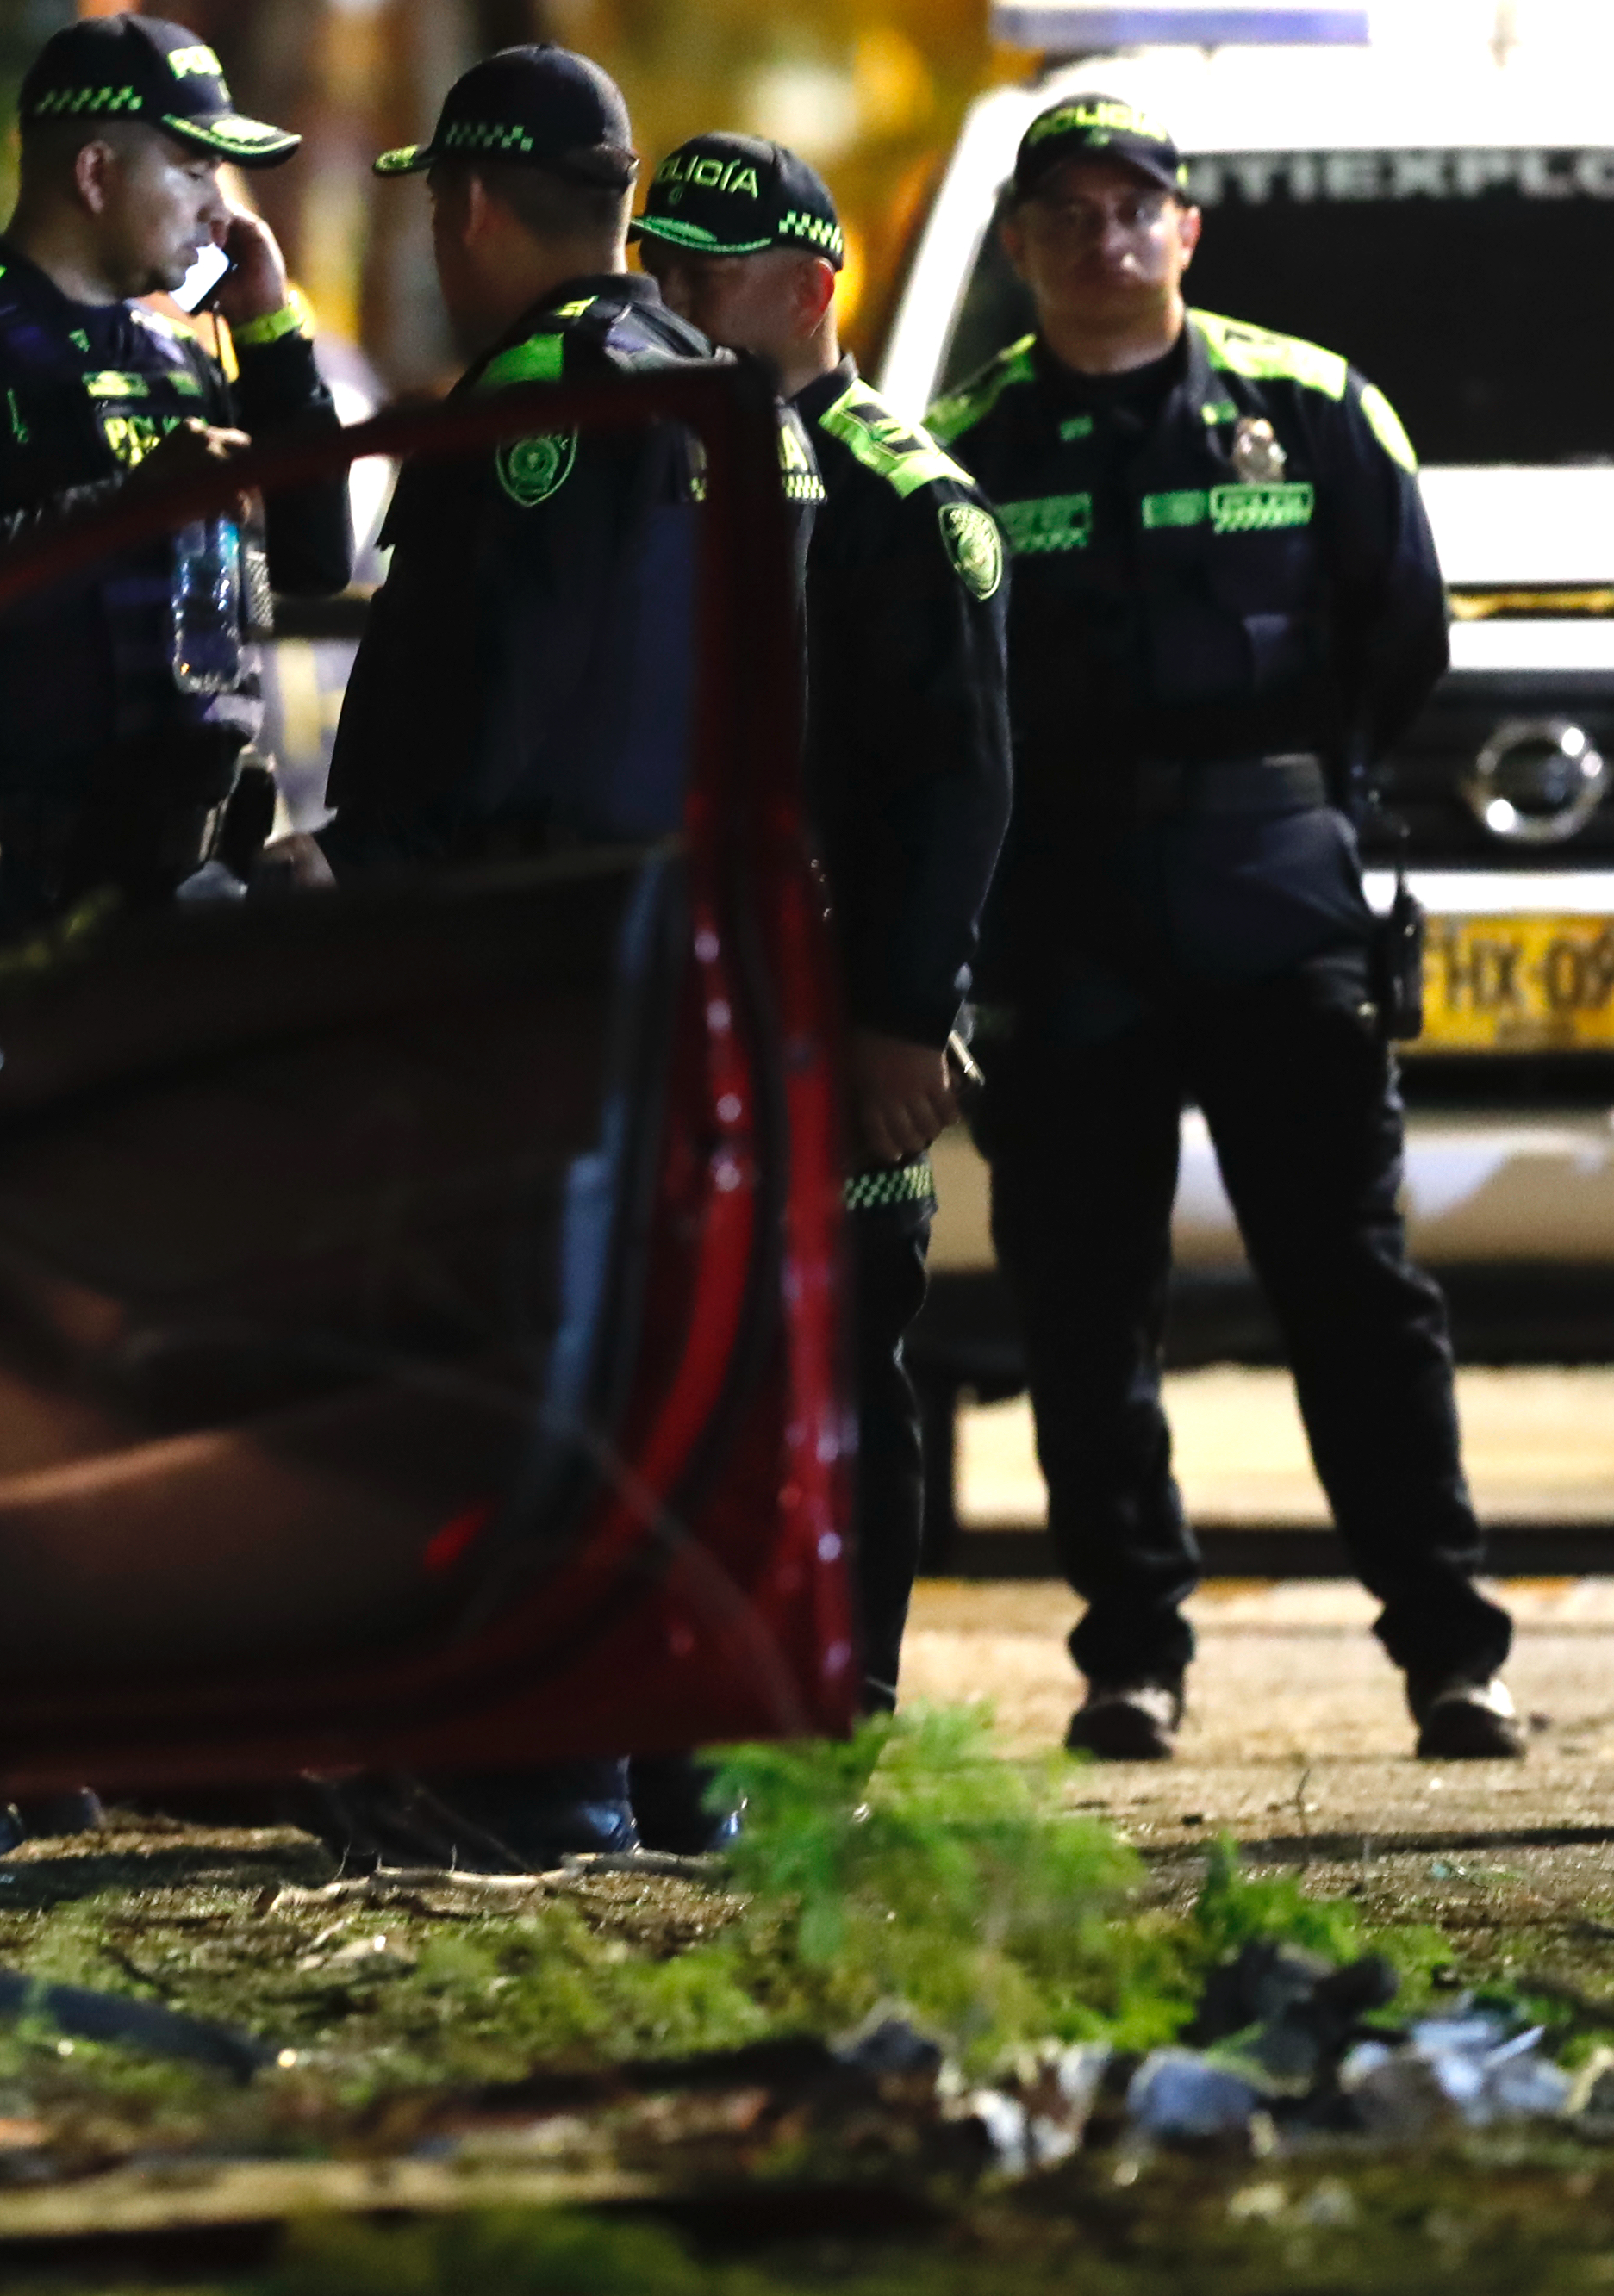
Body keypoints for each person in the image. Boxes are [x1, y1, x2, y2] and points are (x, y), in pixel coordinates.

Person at [930, 93, 1522, 1764]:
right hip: (1064, 919)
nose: (1103, 234)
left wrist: (1299, 807)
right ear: (1017, 243)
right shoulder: (967, 445)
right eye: (1066, 211)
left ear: (1185, 231)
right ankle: (1129, 1654)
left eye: (1135, 207)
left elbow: (1398, 640)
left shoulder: (1309, 408)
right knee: (1081, 1302)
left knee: (1350, 1287)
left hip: (1273, 899)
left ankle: (1445, 1653)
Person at [315, 46, 729, 1865]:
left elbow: (504, 692)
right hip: (672, 940)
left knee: (523, 1354)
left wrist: (369, 874)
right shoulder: (709, 385)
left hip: (523, 944)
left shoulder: (539, 401)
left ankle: (541, 1779)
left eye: (431, 209)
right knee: (650, 1352)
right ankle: (666, 1766)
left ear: (473, 209)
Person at [633, 132, 1015, 1723]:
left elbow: (958, 789)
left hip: (839, 1003)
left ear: (805, 289)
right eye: (650, 266)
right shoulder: (655, 458)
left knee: (840, 1358)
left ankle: (841, 1688)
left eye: (699, 276)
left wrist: (901, 1020)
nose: (665, 299)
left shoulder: (905, 505)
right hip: (682, 997)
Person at [0, 14, 352, 914]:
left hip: (187, 878)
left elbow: (313, 562)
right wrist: (135, 505)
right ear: (93, 173)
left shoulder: (181, 361)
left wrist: (271, 330)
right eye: (192, 168)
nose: (222, 209)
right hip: (0, 887)